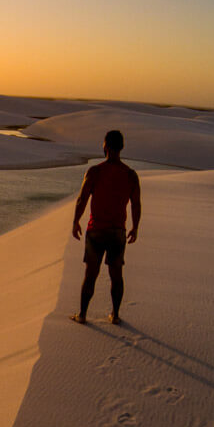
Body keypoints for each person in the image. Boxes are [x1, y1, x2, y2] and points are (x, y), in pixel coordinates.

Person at [70, 129, 141, 325]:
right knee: (116, 275)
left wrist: (76, 221)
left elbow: (82, 199)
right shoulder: (131, 175)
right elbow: (136, 204)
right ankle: (115, 315)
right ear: (122, 147)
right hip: (118, 232)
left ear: (105, 146)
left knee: (91, 274)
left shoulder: (95, 171)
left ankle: (82, 315)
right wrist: (135, 227)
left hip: (96, 231)